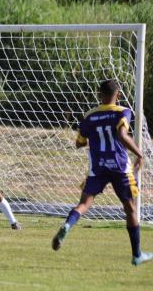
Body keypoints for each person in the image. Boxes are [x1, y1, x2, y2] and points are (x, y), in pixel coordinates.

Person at [51, 79, 152, 266]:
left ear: (99, 95)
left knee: (84, 204)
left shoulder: (90, 116)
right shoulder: (123, 112)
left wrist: (94, 138)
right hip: (120, 167)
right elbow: (122, 135)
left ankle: (67, 225)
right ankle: (137, 254)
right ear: (118, 95)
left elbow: (79, 143)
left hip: (98, 166)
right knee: (129, 207)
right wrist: (140, 153)